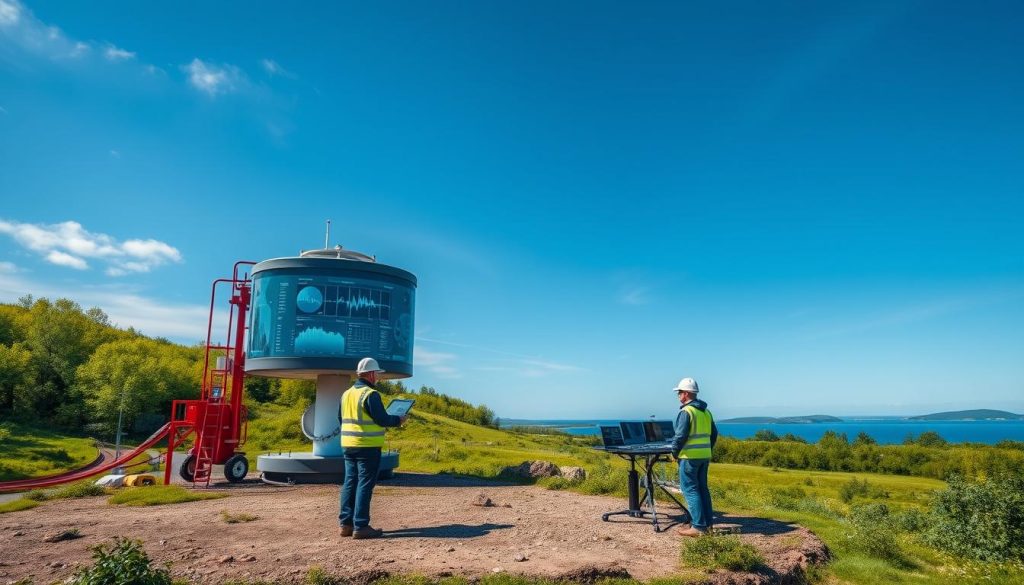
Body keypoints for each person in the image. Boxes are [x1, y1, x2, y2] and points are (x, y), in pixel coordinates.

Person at [339, 357, 407, 539]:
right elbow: (383, 419)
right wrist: (398, 420)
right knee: (364, 484)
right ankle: (361, 526)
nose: (378, 377)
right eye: (377, 373)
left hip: (348, 445)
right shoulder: (370, 394)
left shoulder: (346, 394)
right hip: (367, 446)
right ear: (370, 374)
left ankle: (346, 524)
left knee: (349, 482)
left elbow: (341, 419)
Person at [670, 377, 718, 537]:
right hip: (704, 456)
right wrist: (706, 450)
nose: (678, 396)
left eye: (679, 393)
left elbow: (680, 436)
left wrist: (674, 453)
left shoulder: (686, 412)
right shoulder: (706, 412)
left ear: (685, 394)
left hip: (689, 457)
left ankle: (698, 527)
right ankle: (708, 525)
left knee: (690, 489)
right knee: (702, 489)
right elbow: (714, 434)